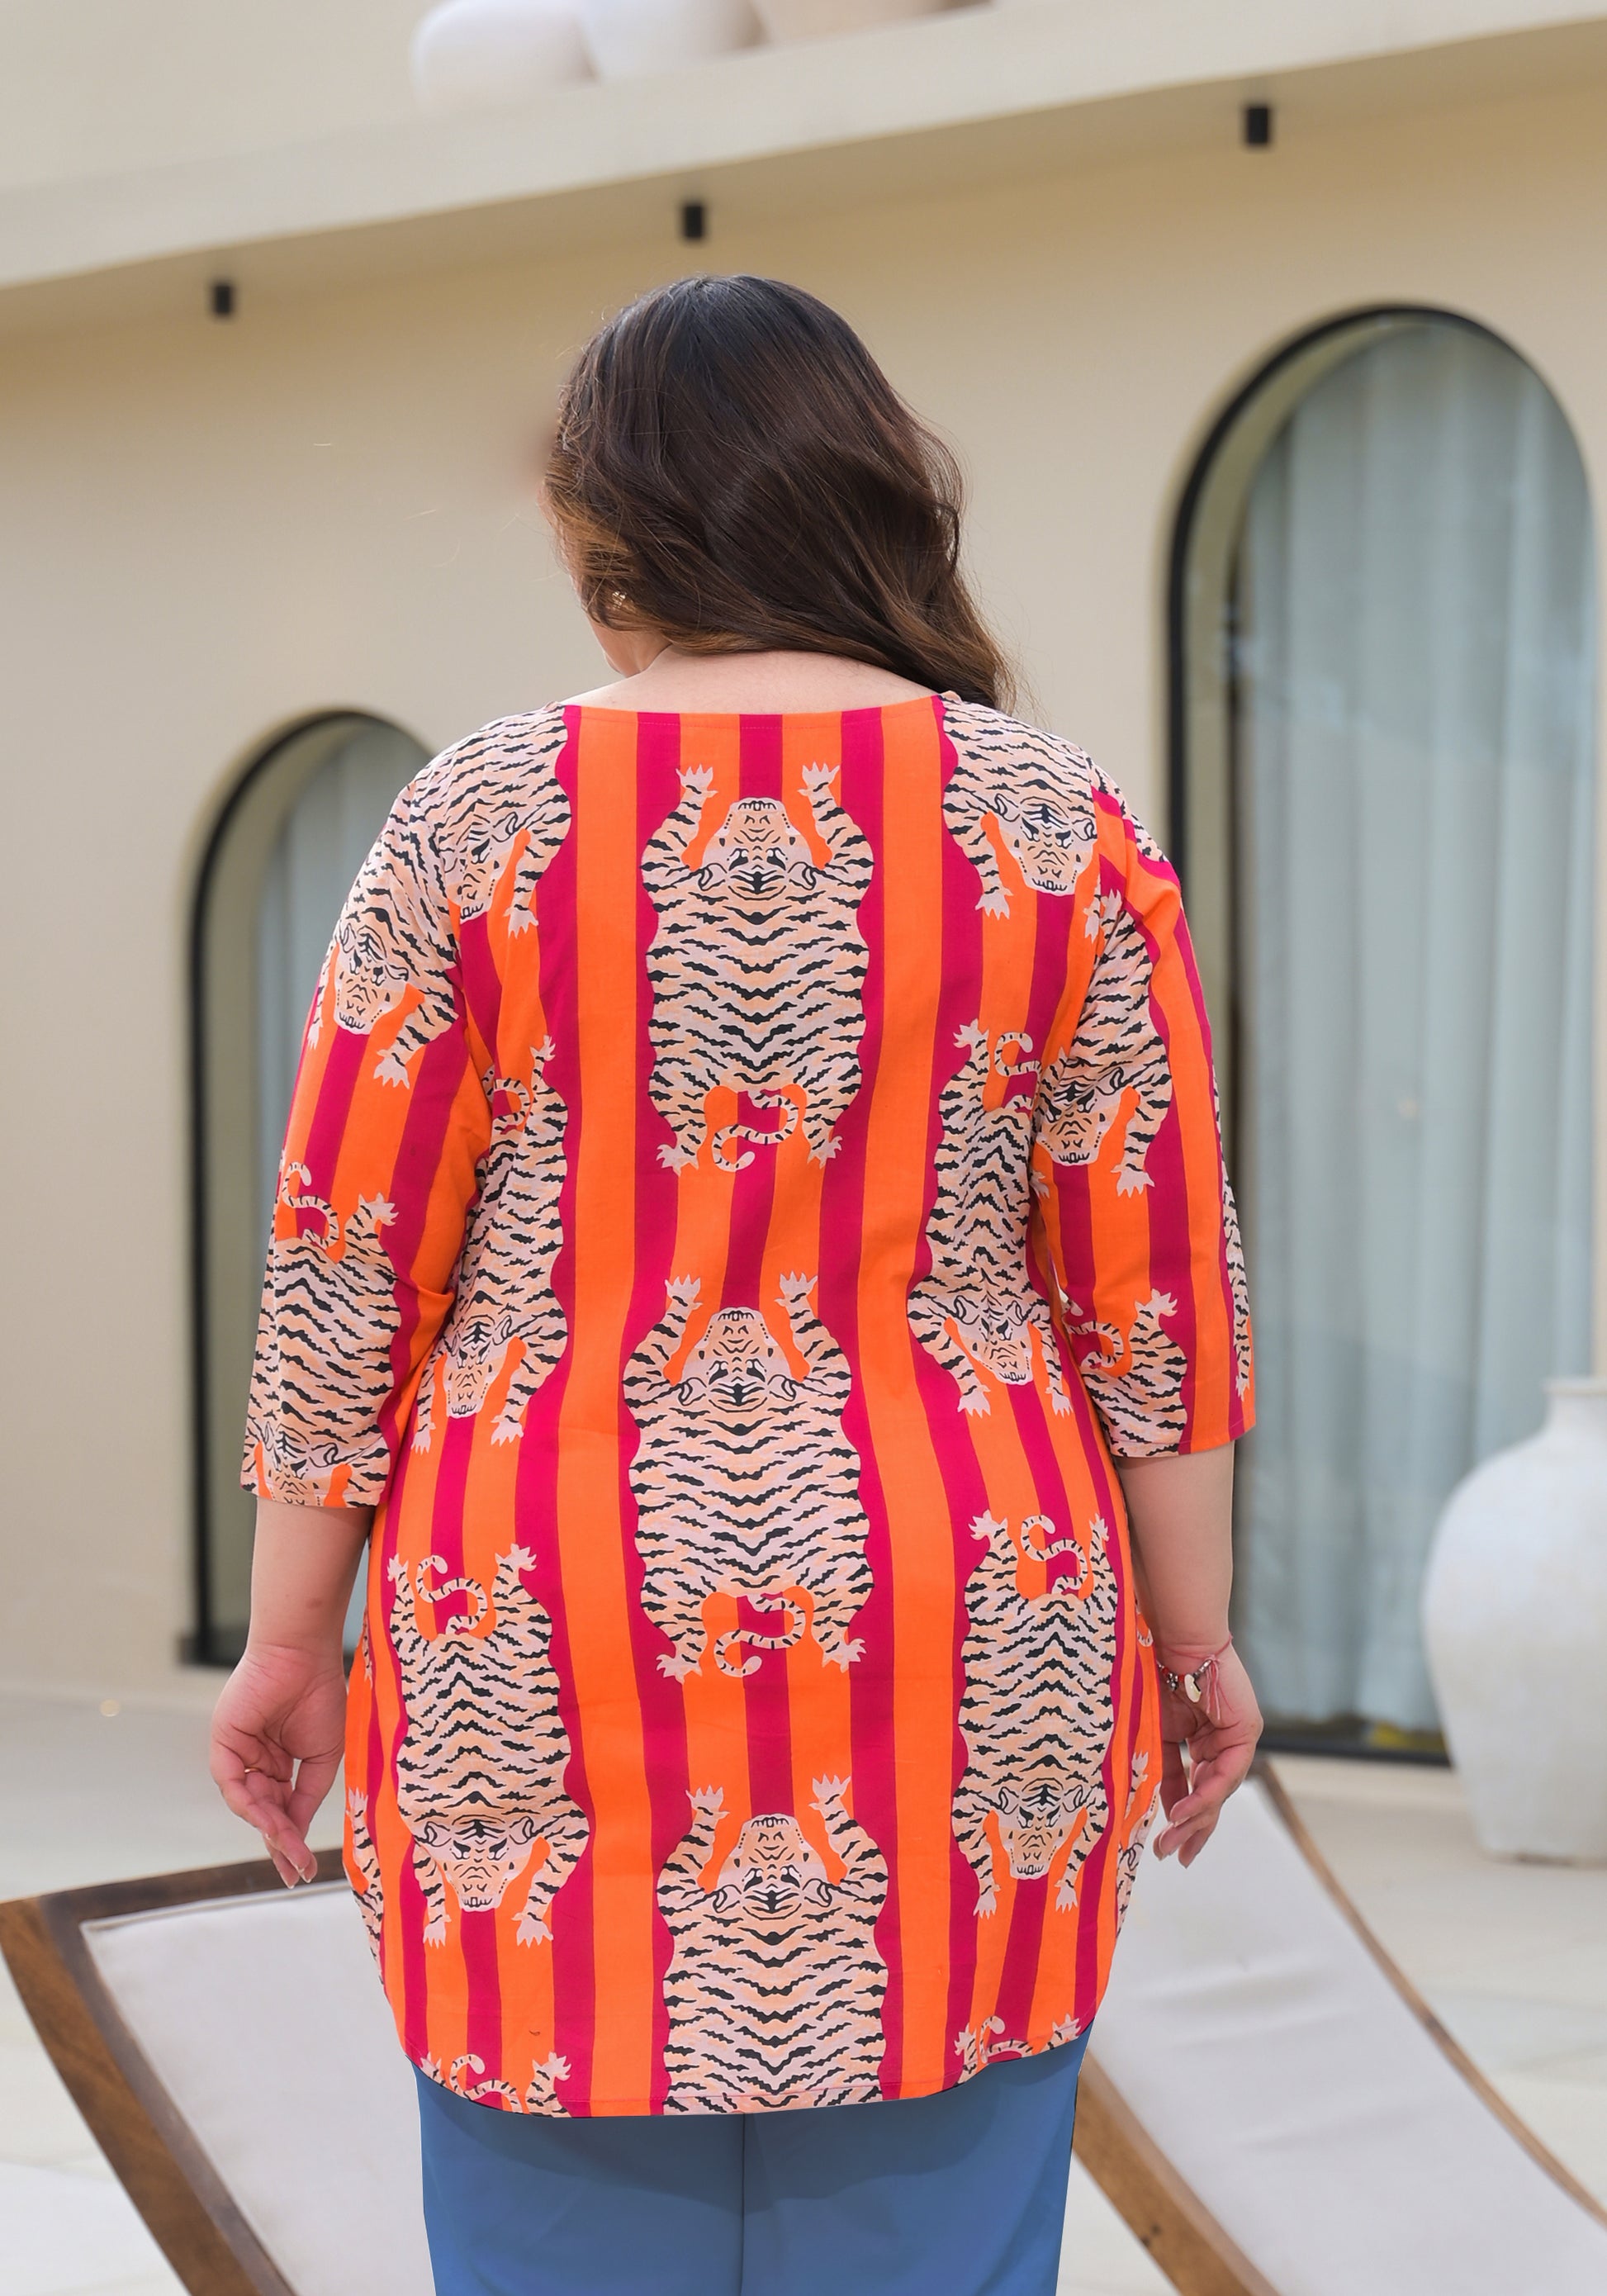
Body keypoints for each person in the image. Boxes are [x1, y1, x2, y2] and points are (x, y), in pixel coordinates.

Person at [210, 273, 1263, 2296]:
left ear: (603, 525)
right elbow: (1156, 1296)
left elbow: (344, 1275)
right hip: (967, 1629)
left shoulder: (473, 819)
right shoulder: (1056, 823)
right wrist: (1193, 1633)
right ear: (870, 493)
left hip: (539, 1632)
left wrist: (286, 1637)